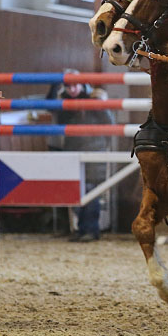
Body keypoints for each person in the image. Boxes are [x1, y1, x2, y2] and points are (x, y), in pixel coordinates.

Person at [47, 69, 114, 242]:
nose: (72, 89)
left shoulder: (93, 100)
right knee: (81, 191)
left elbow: (109, 123)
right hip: (77, 150)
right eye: (68, 86)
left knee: (90, 190)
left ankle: (90, 230)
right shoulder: (68, 102)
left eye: (75, 84)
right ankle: (84, 229)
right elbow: (110, 124)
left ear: (82, 84)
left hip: (91, 150)